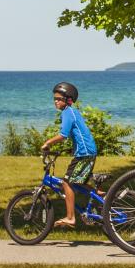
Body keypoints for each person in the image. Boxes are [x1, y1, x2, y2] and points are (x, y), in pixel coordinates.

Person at [39, 81, 97, 228]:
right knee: (78, 183)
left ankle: (71, 217)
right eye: (54, 99)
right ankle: (104, 197)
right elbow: (77, 134)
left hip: (84, 153)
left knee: (66, 183)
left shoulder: (67, 113)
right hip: (85, 151)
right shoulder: (72, 112)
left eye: (59, 99)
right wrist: (71, 149)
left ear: (68, 100)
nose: (56, 102)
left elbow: (63, 135)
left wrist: (47, 143)